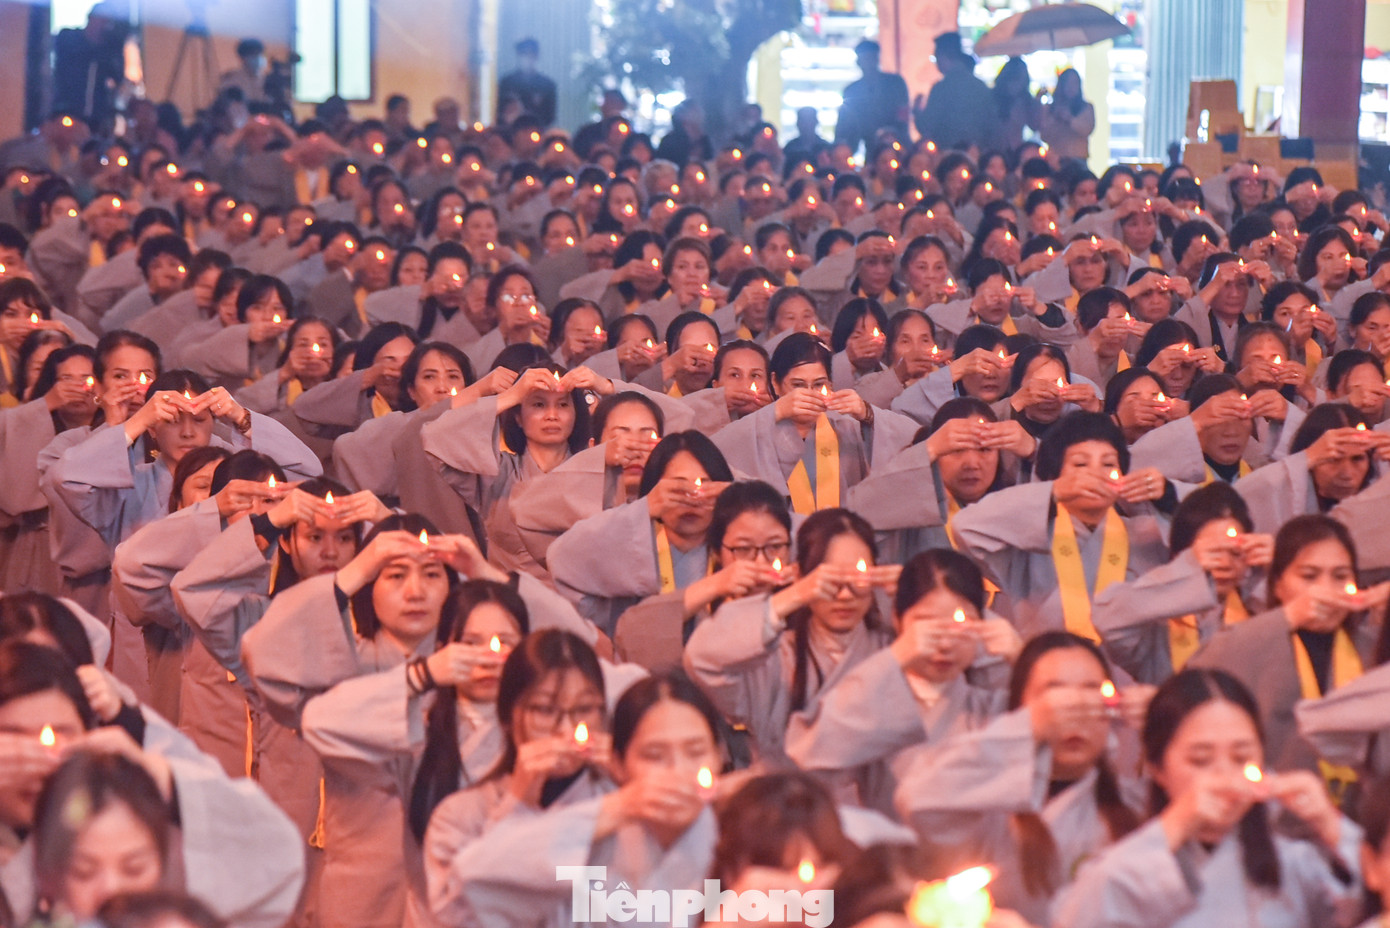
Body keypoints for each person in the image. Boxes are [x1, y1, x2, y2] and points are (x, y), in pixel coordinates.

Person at [1054, 668, 1363, 927]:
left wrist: (1331, 824)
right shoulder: (1130, 867)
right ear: (1158, 768)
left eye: (1241, 757)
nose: (1224, 775)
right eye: (1201, 760)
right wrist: (1176, 824)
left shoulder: (1292, 863)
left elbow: (1371, 906)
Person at [911, 33, 994, 153]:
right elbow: (992, 126)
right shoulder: (981, 87)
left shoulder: (941, 89)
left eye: (935, 58)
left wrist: (917, 111)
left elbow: (927, 127)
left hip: (948, 155)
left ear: (943, 56)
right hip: (977, 154)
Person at [835, 40, 910, 156]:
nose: (868, 63)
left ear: (877, 59)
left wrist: (894, 133)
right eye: (865, 59)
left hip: (898, 144)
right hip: (871, 148)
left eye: (871, 58)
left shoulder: (895, 83)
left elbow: (903, 114)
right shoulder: (852, 91)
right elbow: (846, 126)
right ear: (858, 62)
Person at [497, 39, 558, 129]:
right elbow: (500, 111)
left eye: (531, 54)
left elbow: (550, 116)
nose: (527, 58)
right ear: (518, 56)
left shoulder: (547, 85)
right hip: (510, 131)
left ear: (536, 56)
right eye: (524, 54)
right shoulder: (507, 83)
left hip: (537, 131)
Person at [1039, 69, 1097, 163]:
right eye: (1068, 83)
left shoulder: (1086, 108)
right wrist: (1055, 117)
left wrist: (1069, 118)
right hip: (1055, 160)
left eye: (1074, 83)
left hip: (1078, 159)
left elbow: (1087, 129)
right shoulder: (1050, 108)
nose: (1071, 87)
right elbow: (1044, 135)